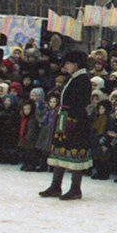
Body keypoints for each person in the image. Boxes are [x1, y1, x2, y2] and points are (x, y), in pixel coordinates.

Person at [39, 50, 92, 200]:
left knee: (74, 152)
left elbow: (80, 102)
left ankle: (75, 189)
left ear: (76, 64)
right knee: (60, 150)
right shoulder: (74, 77)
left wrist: (72, 120)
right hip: (65, 118)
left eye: (68, 63)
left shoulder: (82, 79)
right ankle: (55, 186)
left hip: (75, 121)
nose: (65, 66)